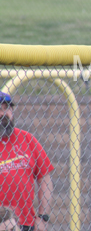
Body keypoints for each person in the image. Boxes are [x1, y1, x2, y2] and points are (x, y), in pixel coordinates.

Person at [0, 92, 54, 231]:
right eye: (0, 109)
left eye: (7, 108)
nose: (4, 113)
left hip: (26, 224)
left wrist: (43, 217)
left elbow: (45, 178)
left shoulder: (27, 139)